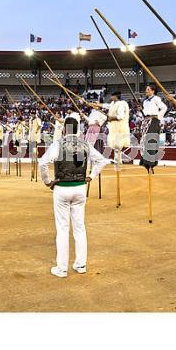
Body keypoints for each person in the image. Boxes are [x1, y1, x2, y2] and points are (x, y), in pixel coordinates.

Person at [39, 117, 108, 277]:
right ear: (77, 130)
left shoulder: (58, 144)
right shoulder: (85, 144)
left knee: (62, 229)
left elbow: (43, 163)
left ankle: (62, 269)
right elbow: (102, 161)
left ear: (64, 130)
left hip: (62, 188)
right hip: (80, 188)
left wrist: (48, 181)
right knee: (79, 227)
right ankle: (81, 264)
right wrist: (91, 176)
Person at [139, 84, 167, 171]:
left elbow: (164, 107)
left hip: (153, 121)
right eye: (146, 89)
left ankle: (151, 162)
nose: (146, 91)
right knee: (144, 140)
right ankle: (145, 161)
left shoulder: (156, 99)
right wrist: (141, 110)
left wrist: (158, 116)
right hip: (146, 121)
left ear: (152, 91)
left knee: (151, 140)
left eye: (148, 89)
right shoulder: (145, 101)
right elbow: (145, 112)